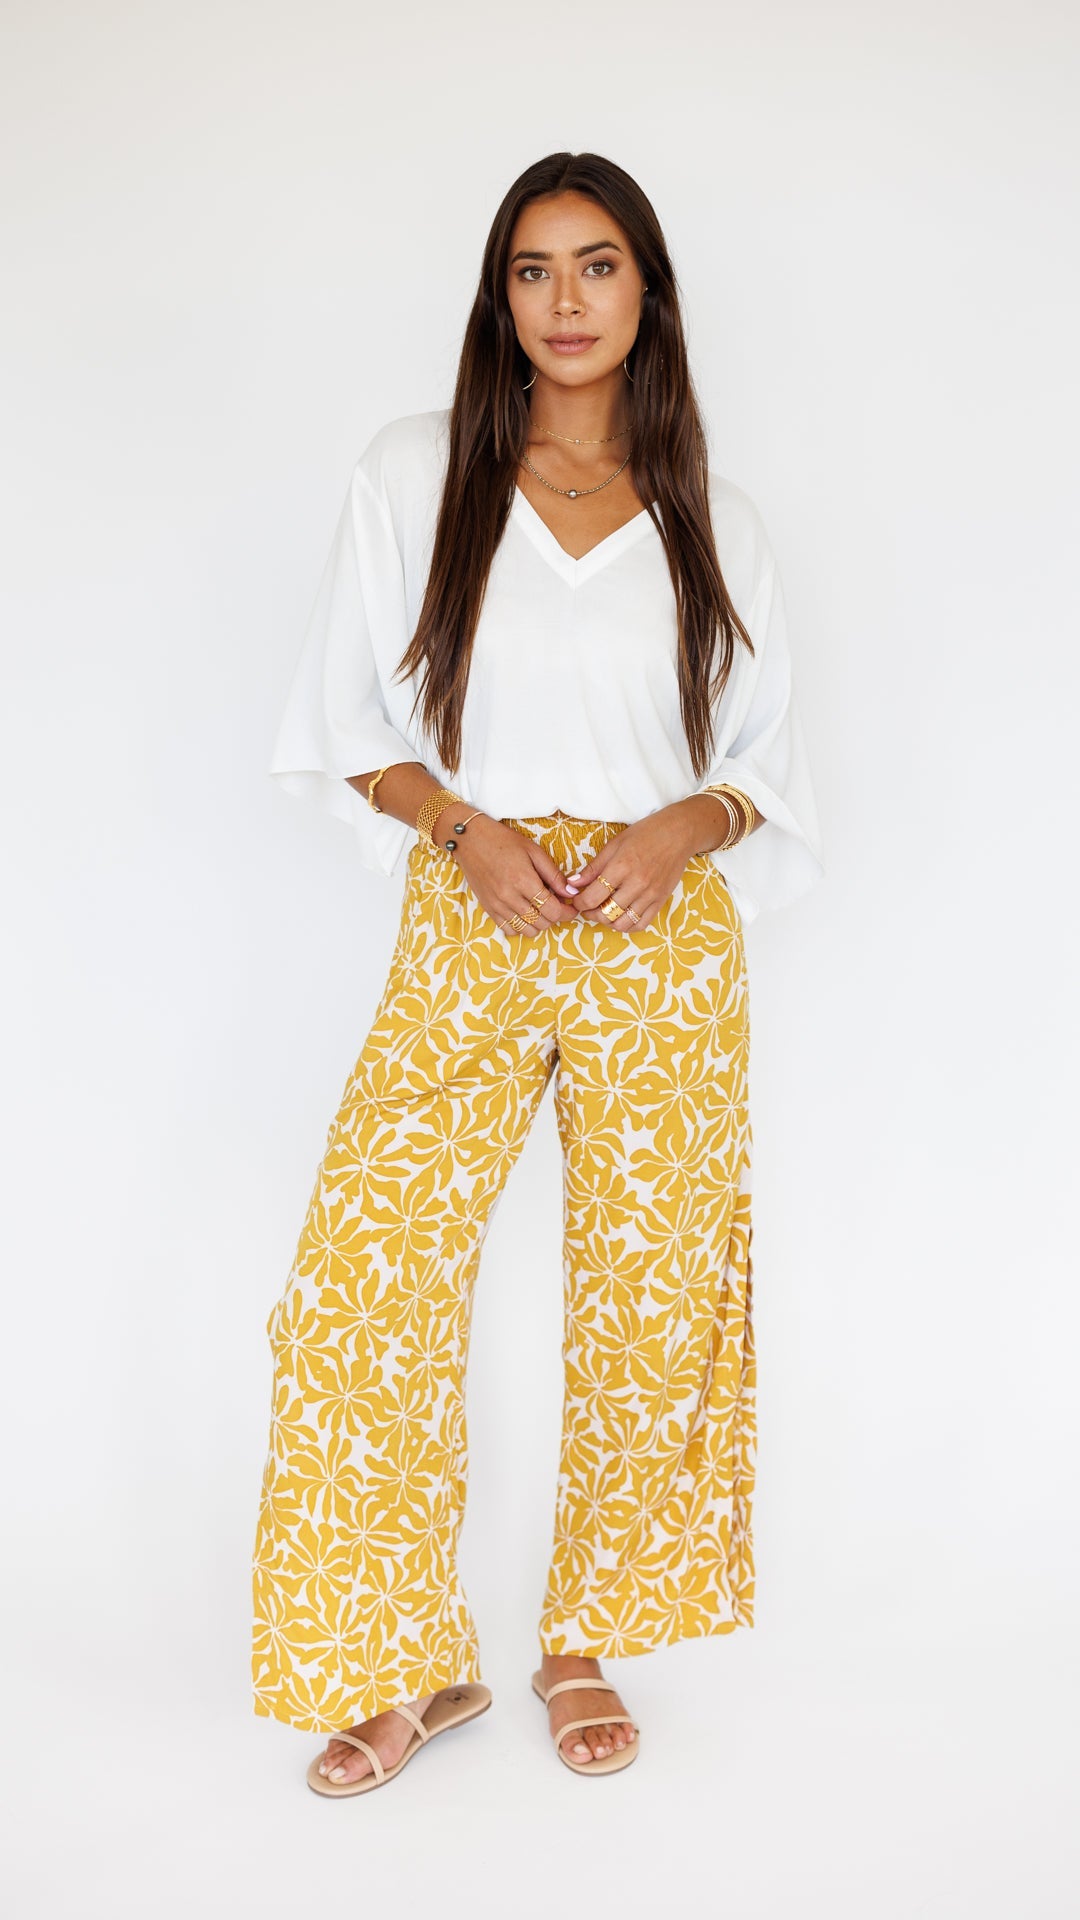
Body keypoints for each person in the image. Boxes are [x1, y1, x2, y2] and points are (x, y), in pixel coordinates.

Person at [251, 149, 824, 1796]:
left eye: (598, 266)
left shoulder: (716, 517)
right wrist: (463, 828)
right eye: (532, 269)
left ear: (649, 292)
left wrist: (683, 828)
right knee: (363, 1284)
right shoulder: (418, 471)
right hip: (475, 908)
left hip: (661, 937)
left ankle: (584, 1638)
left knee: (649, 1303)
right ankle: (402, 1662)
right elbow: (345, 720)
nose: (565, 301)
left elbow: (766, 763)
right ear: (499, 297)